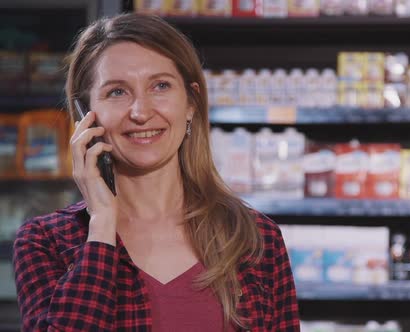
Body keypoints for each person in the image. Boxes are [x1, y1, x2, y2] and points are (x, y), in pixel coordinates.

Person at [12, 13, 300, 332]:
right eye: (117, 92)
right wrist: (103, 223)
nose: (141, 112)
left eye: (160, 86)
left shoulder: (255, 239)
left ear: (191, 102)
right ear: (85, 116)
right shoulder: (46, 242)